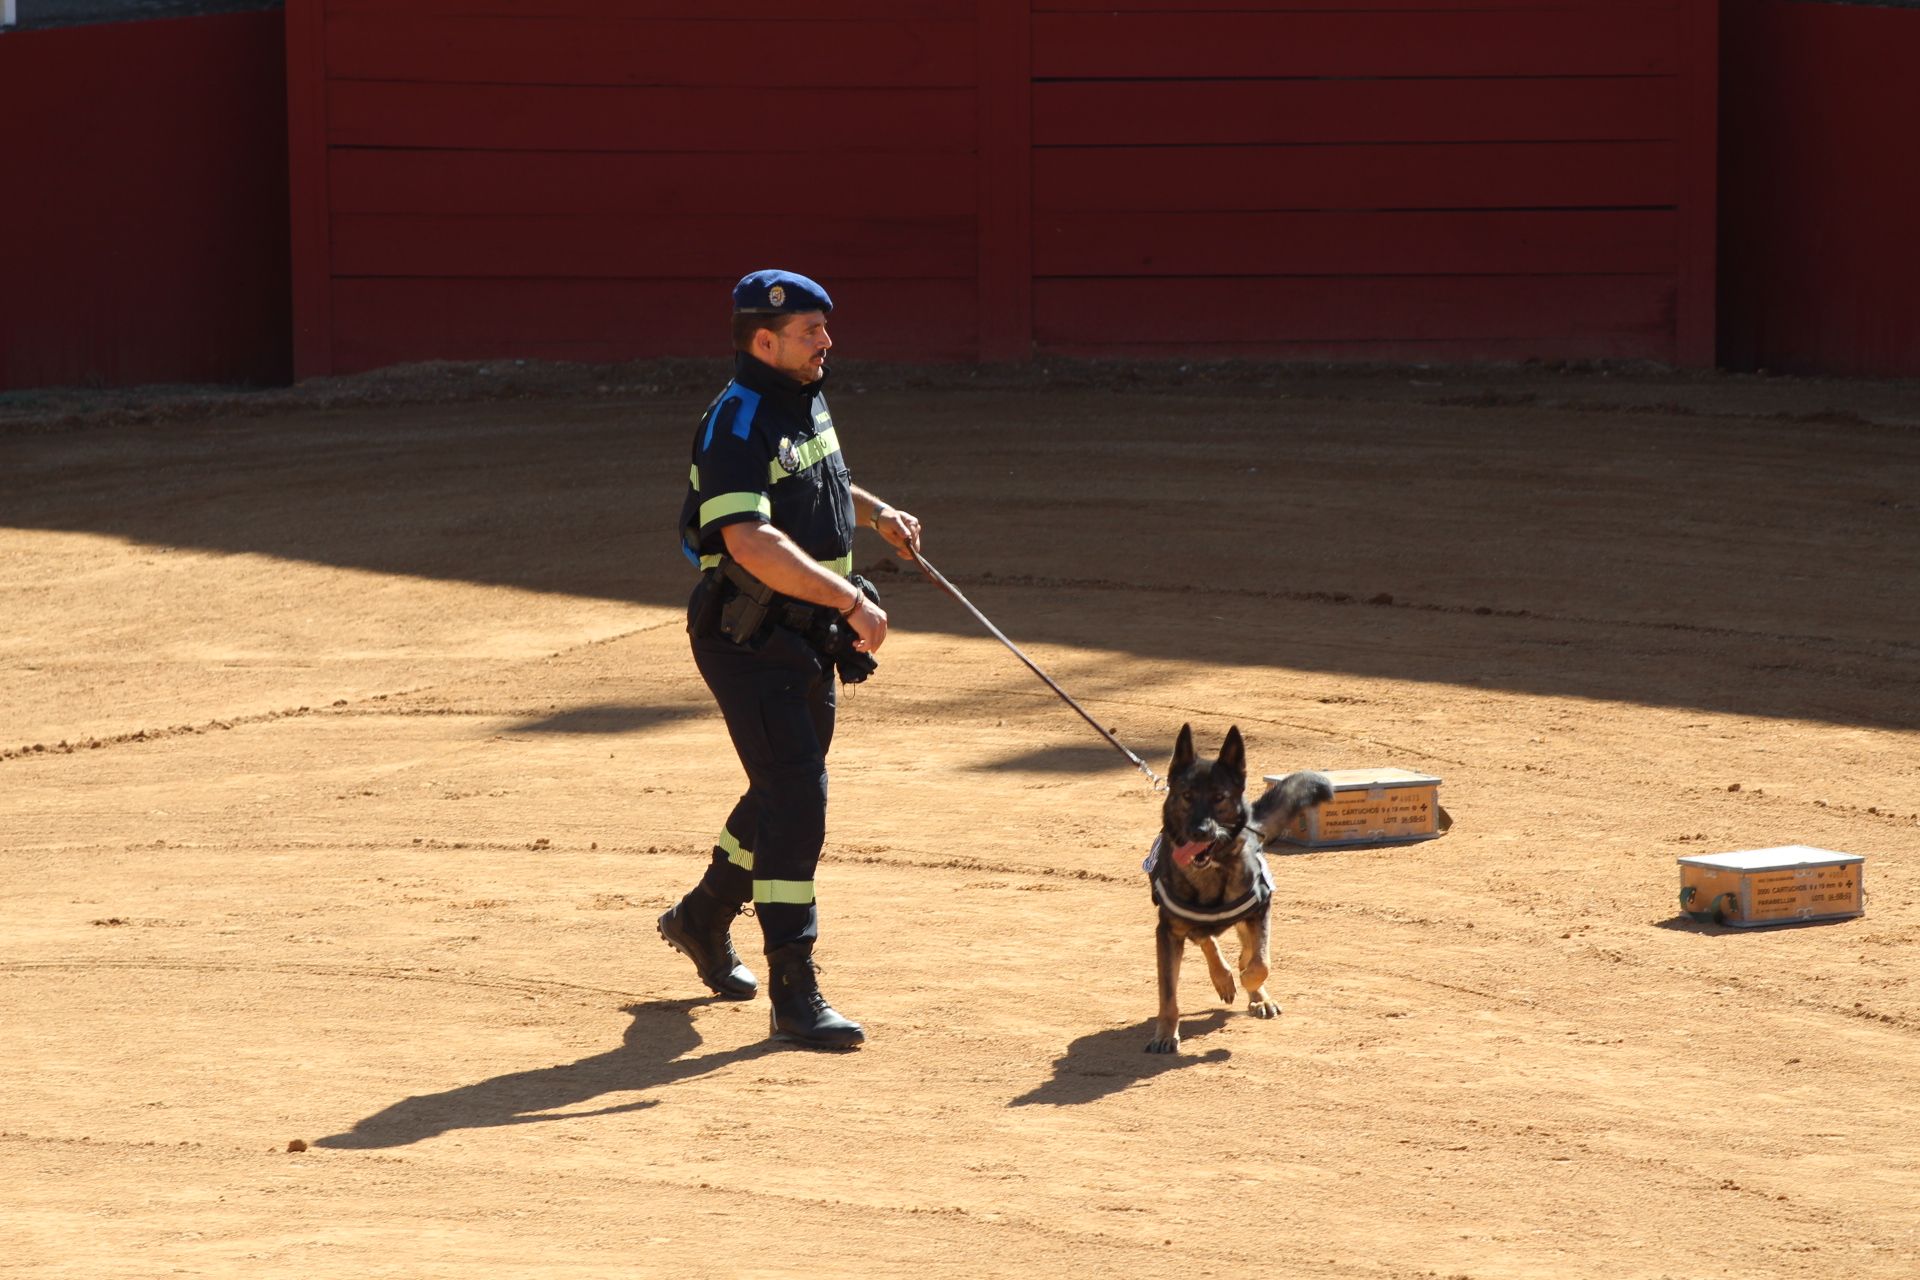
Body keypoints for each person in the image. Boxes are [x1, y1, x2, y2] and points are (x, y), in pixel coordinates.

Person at [661, 269, 923, 1048]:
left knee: (780, 791)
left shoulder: (802, 392)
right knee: (798, 798)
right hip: (749, 640)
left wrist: (876, 516)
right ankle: (793, 991)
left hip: (804, 635)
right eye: (813, 332)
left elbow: (819, 479)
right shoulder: (734, 421)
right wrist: (848, 601)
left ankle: (703, 915)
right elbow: (750, 540)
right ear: (765, 340)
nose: (827, 343)